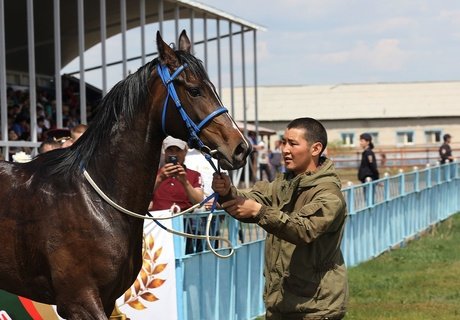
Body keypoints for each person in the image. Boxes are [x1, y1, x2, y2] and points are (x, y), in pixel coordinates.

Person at [212, 117, 348, 320]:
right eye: (284, 142)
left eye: (293, 143)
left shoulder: (328, 194)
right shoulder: (283, 184)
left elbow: (303, 230)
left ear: (316, 148)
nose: (285, 149)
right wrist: (228, 193)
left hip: (315, 308)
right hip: (281, 303)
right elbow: (249, 200)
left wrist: (259, 212)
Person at [149, 136, 205, 254]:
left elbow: (199, 202)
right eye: (170, 150)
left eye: (178, 150)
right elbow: (141, 198)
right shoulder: (153, 174)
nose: (174, 154)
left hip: (186, 230)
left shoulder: (194, 175)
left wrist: (185, 182)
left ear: (185, 152)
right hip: (157, 230)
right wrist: (159, 179)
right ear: (164, 152)